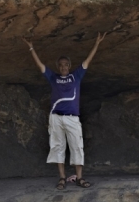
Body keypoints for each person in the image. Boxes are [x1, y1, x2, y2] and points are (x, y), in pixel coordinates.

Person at [23, 33, 106, 189]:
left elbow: (88, 60)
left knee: (77, 146)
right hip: (56, 117)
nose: (63, 67)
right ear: (58, 67)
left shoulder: (76, 76)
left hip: (72, 117)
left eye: (66, 64)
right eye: (60, 65)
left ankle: (80, 178)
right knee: (57, 146)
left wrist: (97, 43)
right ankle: (62, 178)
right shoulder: (53, 77)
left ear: (69, 66)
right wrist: (31, 47)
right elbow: (40, 65)